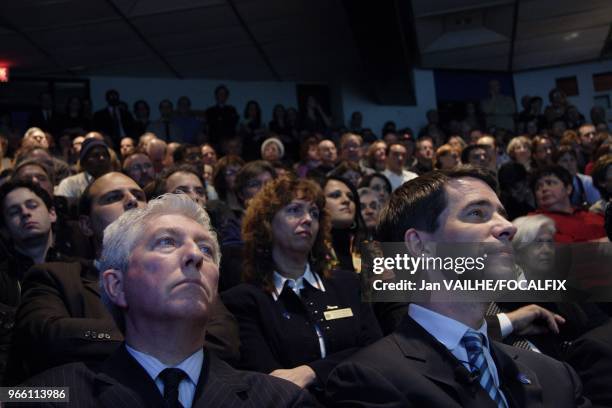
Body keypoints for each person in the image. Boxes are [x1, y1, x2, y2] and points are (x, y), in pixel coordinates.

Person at [325, 166, 590, 407]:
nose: (508, 227)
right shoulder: (370, 380)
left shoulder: (556, 375)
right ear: (418, 245)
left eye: (502, 214)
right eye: (477, 213)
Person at [15, 194, 313, 407]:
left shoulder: (281, 399)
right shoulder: (46, 395)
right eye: (167, 242)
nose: (196, 255)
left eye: (207, 249)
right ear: (116, 286)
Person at [11, 173, 239, 384]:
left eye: (139, 196)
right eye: (113, 197)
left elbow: (224, 339)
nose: (132, 201)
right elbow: (50, 336)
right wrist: (150, 336)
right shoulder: (57, 276)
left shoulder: (190, 273)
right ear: (86, 224)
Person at [222, 177, 381, 393]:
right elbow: (271, 381)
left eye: (314, 213)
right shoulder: (244, 300)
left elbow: (375, 354)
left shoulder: (350, 284)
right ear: (267, 222)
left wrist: (311, 372)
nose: (307, 219)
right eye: (294, 210)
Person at [530, 165, 606, 242]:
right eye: (538, 187)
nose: (544, 189)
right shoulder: (534, 222)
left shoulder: (593, 216)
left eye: (549, 183)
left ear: (568, 189)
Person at [205, 85, 239, 150]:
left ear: (227, 96)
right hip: (214, 139)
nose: (221, 95)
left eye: (224, 94)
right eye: (220, 93)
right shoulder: (210, 111)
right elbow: (209, 125)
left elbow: (233, 125)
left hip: (228, 140)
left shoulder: (232, 110)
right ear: (216, 95)